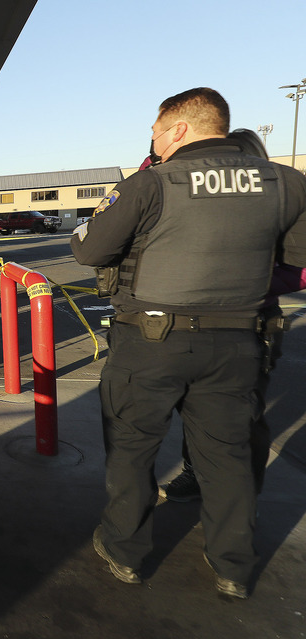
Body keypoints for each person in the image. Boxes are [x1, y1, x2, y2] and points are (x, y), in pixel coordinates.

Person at [71, 88, 306, 599]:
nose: (152, 139)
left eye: (155, 129)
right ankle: (233, 566)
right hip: (240, 343)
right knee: (227, 456)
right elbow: (295, 263)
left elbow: (90, 249)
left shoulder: (151, 183)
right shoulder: (287, 184)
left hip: (150, 342)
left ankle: (125, 550)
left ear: (179, 128)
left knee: (132, 450)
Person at [160, 128, 306, 502]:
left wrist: (244, 280)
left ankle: (241, 501)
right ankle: (196, 473)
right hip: (196, 323)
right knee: (195, 411)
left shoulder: (277, 200)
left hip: (250, 323)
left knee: (245, 422)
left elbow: (299, 268)